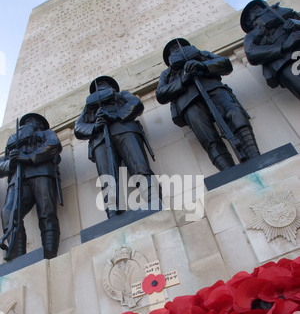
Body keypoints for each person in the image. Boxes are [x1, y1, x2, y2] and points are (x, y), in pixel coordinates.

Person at [156, 38, 260, 171]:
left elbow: (225, 64)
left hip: (214, 89)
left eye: (180, 46)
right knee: (207, 137)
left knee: (235, 114)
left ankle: (255, 156)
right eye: (173, 49)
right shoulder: (167, 73)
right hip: (188, 103)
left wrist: (203, 66)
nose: (177, 49)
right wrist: (183, 80)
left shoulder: (202, 55)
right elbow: (161, 93)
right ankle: (228, 171)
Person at [74, 76, 156, 218]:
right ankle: (113, 213)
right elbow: (78, 128)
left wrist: (115, 115)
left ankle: (153, 198)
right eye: (98, 86)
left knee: (139, 166)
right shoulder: (89, 108)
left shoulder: (121, 95)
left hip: (125, 130)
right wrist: (95, 126)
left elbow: (135, 103)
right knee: (107, 179)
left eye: (104, 84)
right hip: (100, 140)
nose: (101, 87)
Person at [0, 113, 62, 261]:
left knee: (47, 213)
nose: (27, 122)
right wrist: (11, 162)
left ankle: (49, 253)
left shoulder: (46, 133)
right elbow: (1, 165)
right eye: (25, 121)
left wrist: (29, 157)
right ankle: (16, 254)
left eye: (32, 120)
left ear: (40, 124)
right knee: (8, 212)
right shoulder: (13, 140)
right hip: (18, 179)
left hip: (42, 173)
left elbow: (54, 145)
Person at [241, 0, 300, 99]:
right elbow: (251, 53)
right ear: (249, 21)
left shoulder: (289, 15)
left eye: (260, 8)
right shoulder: (252, 34)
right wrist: (283, 46)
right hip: (284, 64)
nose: (259, 10)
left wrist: (297, 23)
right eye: (253, 11)